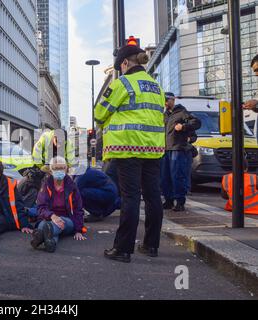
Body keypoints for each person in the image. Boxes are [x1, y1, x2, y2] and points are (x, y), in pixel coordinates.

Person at [94, 38, 165, 263]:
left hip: (127, 147)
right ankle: (151, 245)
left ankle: (123, 249)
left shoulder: (122, 84)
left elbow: (99, 114)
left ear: (124, 63)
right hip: (153, 149)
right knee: (153, 197)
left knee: (130, 198)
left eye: (119, 67)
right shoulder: (156, 86)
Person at [31, 157, 86, 253]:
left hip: (67, 219)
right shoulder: (46, 185)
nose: (59, 171)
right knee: (48, 226)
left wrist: (79, 230)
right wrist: (52, 216)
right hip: (48, 218)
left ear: (66, 169)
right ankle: (51, 243)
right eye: (56, 169)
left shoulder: (72, 186)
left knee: (49, 225)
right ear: (51, 171)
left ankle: (40, 236)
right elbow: (41, 207)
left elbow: (78, 209)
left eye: (62, 168)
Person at [161, 92, 201, 212]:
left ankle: (179, 202)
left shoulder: (182, 112)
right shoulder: (164, 115)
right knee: (165, 177)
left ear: (172, 100)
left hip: (178, 149)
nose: (164, 102)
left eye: (166, 100)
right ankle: (168, 200)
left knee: (177, 176)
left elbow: (197, 122)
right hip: (165, 150)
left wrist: (183, 127)